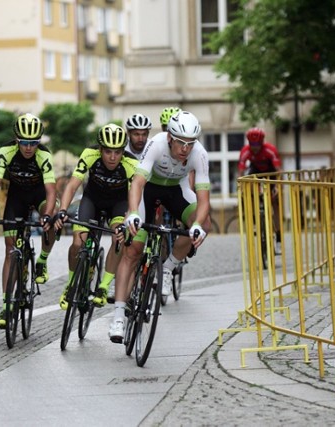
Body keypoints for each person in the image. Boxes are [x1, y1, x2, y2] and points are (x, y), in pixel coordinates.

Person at [108, 110, 212, 343]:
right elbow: (137, 182)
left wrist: (195, 225)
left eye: (190, 143)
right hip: (149, 189)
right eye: (181, 142)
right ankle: (118, 316)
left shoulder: (200, 154)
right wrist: (133, 213)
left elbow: (203, 198)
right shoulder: (155, 144)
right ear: (169, 138)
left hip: (177, 190)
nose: (185, 148)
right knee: (133, 250)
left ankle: (168, 267)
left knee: (205, 222)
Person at [0, 113, 57, 329]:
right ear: (17, 139)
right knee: (10, 250)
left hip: (40, 194)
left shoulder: (44, 156)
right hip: (17, 197)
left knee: (51, 217)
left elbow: (51, 191)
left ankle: (42, 260)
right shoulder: (5, 152)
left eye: (33, 143)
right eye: (24, 142)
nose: (28, 147)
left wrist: (47, 216)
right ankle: (6, 305)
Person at [53, 123, 138, 308]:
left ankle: (104, 285)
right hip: (92, 200)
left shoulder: (132, 164)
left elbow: (134, 200)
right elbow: (72, 185)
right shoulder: (89, 154)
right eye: (108, 152)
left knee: (119, 238)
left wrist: (125, 222)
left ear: (123, 151)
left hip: (118, 205)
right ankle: (70, 285)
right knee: (78, 242)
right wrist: (62, 211)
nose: (113, 157)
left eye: (117, 152)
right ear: (100, 149)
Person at [237, 127, 283, 255]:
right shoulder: (245, 151)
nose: (255, 148)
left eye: (257, 145)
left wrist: (278, 187)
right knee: (247, 189)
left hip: (271, 171)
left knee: (275, 203)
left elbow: (278, 170)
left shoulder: (270, 150)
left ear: (262, 142)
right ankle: (254, 218)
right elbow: (240, 171)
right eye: (252, 145)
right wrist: (241, 187)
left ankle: (278, 240)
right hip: (256, 171)